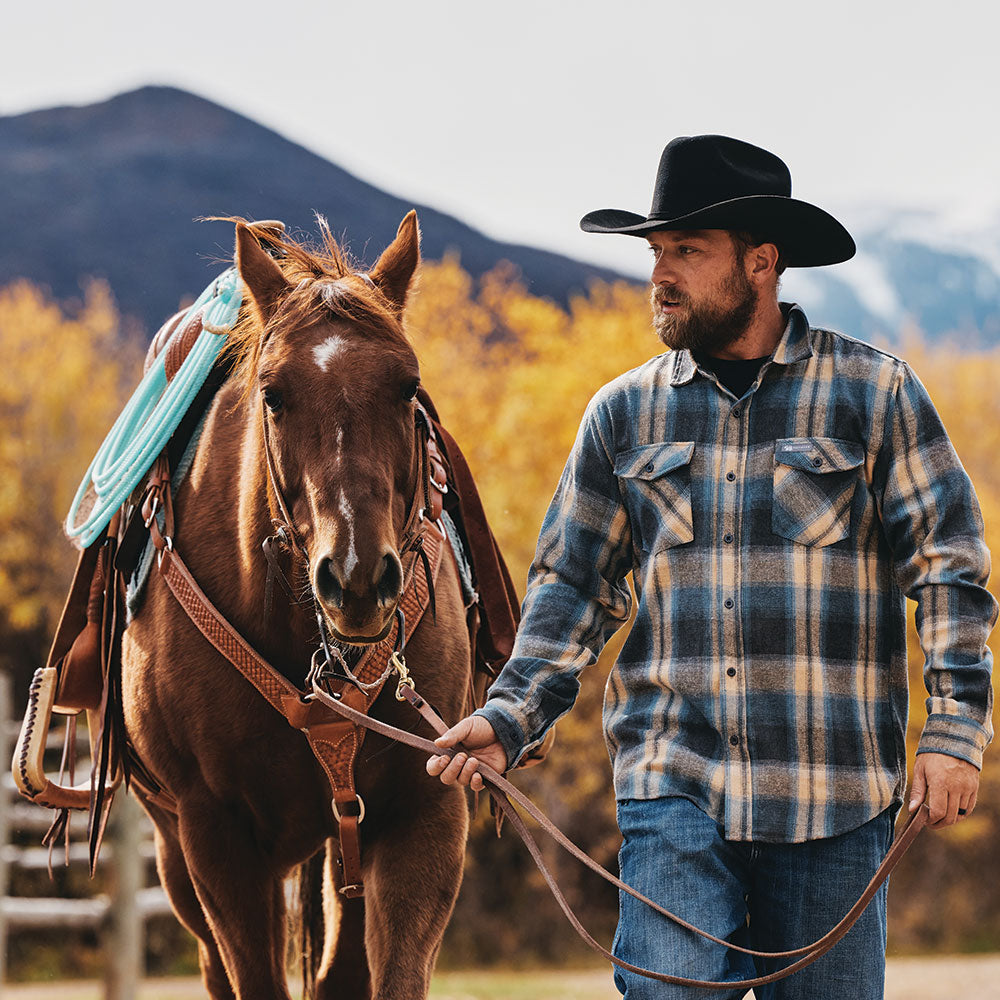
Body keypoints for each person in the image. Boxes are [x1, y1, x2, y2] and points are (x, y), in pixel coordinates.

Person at [426, 134, 997, 998]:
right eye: (658, 252)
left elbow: (949, 567)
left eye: (687, 252)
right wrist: (509, 717)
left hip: (833, 791)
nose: (662, 274)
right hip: (672, 781)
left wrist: (955, 732)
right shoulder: (622, 415)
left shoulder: (873, 395)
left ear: (762, 263)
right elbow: (572, 587)